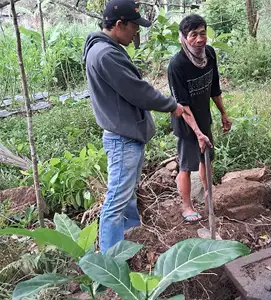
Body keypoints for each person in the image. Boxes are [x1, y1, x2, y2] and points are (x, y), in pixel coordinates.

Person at [82, 0, 184, 253]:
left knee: (127, 194)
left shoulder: (106, 49)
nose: (137, 32)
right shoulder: (106, 54)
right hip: (123, 139)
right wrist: (172, 105)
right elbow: (138, 91)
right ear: (119, 25)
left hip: (125, 135)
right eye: (134, 27)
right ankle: (111, 261)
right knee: (117, 200)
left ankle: (132, 240)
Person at [168, 14, 232, 222]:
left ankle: (208, 195)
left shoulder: (210, 55)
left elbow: (215, 88)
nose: (199, 40)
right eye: (193, 35)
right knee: (186, 165)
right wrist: (196, 132)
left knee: (207, 159)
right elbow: (182, 105)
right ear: (183, 38)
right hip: (186, 124)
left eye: (202, 33)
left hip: (204, 117)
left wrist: (223, 113)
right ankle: (187, 206)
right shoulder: (177, 65)